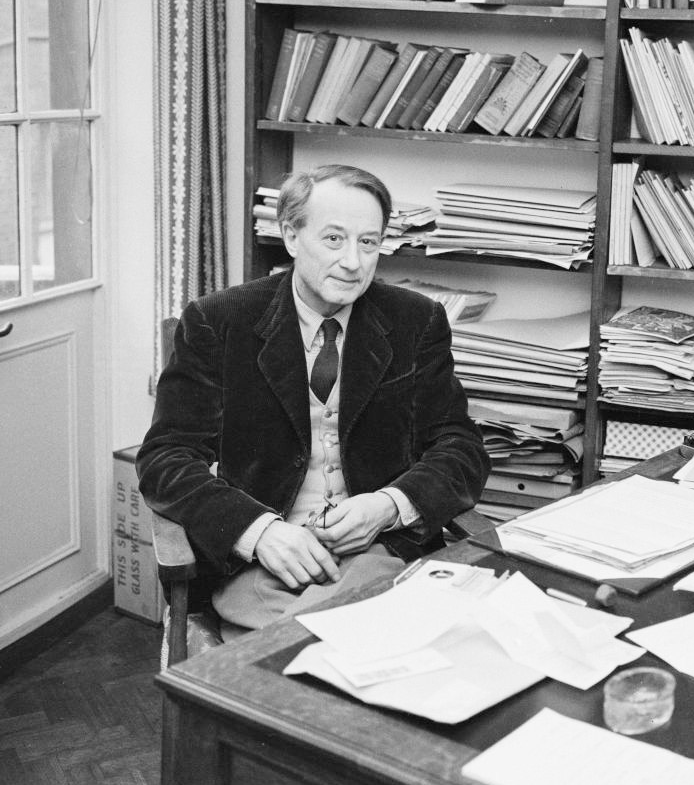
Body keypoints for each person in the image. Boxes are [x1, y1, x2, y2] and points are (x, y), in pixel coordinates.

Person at [137, 164, 489, 633]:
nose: (353, 262)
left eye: (368, 242)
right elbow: (165, 459)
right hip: (265, 565)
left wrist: (386, 505)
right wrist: (259, 532)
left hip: (378, 552)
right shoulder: (219, 322)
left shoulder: (415, 321)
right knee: (374, 633)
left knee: (340, 631)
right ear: (290, 236)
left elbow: (461, 449)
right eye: (334, 239)